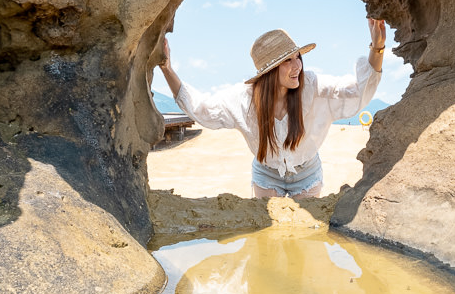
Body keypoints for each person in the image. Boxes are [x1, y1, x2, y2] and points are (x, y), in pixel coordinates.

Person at [156, 18, 386, 199]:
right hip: (266, 174)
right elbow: (202, 110)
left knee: (304, 242)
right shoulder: (245, 100)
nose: (297, 66)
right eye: (288, 60)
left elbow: (357, 92)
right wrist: (167, 68)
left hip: (307, 173)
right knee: (268, 241)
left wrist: (377, 47)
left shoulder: (313, 86)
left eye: (298, 57)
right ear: (268, 71)